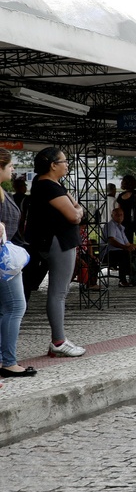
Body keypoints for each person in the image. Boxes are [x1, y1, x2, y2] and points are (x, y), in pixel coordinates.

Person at [25, 147, 86, 357]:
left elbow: (77, 208)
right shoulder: (49, 187)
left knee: (58, 292)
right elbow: (74, 214)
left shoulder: (51, 185)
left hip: (56, 241)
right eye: (64, 161)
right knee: (58, 292)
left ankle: (59, 339)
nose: (67, 164)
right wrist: (77, 212)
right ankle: (58, 341)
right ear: (53, 165)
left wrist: (77, 210)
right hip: (58, 242)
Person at [0, 148, 37, 377]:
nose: (13, 169)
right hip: (4, 261)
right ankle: (9, 362)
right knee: (15, 306)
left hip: (6, 257)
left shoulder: (3, 192)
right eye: (10, 165)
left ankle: (5, 359)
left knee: (7, 308)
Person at [100, 207, 136, 287]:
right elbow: (111, 240)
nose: (119, 217)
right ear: (112, 216)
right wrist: (125, 248)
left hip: (118, 252)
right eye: (117, 215)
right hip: (108, 253)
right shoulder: (111, 225)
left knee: (135, 252)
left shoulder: (120, 227)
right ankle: (123, 280)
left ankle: (135, 276)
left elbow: (128, 244)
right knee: (124, 253)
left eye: (121, 215)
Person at [115, 175, 136, 244]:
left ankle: (129, 254)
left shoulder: (120, 196)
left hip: (125, 221)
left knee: (127, 242)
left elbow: (118, 210)